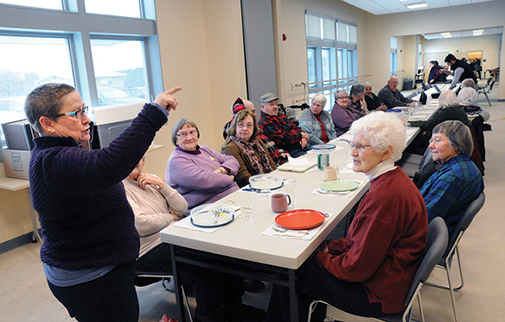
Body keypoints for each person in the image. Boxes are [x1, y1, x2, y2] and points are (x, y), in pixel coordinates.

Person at [24, 82, 181, 322]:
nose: (86, 118)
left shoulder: (63, 153)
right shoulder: (53, 161)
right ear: (47, 123)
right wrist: (154, 113)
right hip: (93, 280)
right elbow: (110, 164)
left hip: (100, 270)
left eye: (84, 109)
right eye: (76, 113)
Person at [265, 112, 428, 321]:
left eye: (361, 146)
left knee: (290, 274)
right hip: (389, 279)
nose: (353, 152)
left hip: (377, 294)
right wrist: (330, 248)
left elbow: (355, 269)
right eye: (353, 145)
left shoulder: (385, 197)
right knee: (306, 264)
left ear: (386, 152)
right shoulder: (393, 180)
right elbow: (361, 243)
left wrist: (319, 257)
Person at [124, 156, 265, 322]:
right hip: (148, 250)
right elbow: (141, 224)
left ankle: (233, 308)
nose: (135, 160)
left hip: (175, 235)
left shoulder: (150, 180)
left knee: (221, 248)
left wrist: (162, 185)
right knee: (204, 262)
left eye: (139, 157)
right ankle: (208, 317)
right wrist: (170, 217)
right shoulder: (120, 188)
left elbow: (182, 207)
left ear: (144, 160)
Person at [419, 120, 484, 233]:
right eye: (431, 140)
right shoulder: (465, 165)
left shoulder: (453, 177)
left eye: (437, 140)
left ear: (458, 145)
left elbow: (423, 218)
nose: (430, 145)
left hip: (422, 237)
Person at [165, 117, 240, 215]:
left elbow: (232, 160)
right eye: (183, 134)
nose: (189, 138)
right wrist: (230, 177)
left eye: (192, 132)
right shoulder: (176, 161)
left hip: (232, 199)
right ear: (176, 139)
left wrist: (220, 171)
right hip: (207, 210)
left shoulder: (204, 150)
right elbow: (208, 182)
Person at [221, 109, 277, 188]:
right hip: (249, 189)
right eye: (240, 125)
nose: (245, 128)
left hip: (267, 184)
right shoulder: (230, 147)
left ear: (254, 127)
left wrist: (275, 180)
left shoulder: (257, 141)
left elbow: (272, 165)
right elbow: (243, 178)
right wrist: (266, 185)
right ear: (234, 127)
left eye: (249, 125)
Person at [258, 92, 309, 157]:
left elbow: (295, 127)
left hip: (300, 146)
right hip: (287, 152)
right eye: (271, 105)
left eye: (276, 104)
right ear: (262, 107)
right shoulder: (264, 122)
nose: (275, 107)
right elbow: (282, 139)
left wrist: (303, 138)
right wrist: (301, 135)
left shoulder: (281, 116)